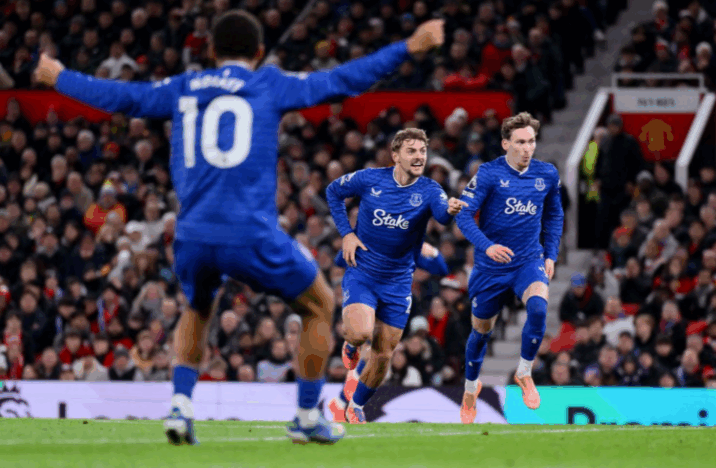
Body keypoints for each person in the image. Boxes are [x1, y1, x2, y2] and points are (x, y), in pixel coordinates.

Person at [33, 10, 446, 445]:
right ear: (260, 52)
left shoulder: (185, 87)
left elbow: (123, 97)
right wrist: (407, 47)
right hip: (249, 231)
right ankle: (307, 414)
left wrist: (60, 76)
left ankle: (180, 406)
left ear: (210, 52)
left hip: (190, 234)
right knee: (319, 305)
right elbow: (343, 79)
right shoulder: (268, 83)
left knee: (197, 306)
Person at [324, 128, 467, 423]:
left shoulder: (429, 189)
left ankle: (356, 406)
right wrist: (347, 235)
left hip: (398, 282)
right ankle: (351, 343)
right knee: (362, 333)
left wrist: (451, 209)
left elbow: (440, 214)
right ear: (395, 155)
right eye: (412, 151)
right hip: (363, 273)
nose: (419, 157)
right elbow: (333, 191)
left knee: (384, 353)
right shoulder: (370, 179)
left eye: (422, 152)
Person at [456, 112, 564, 423]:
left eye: (531, 141)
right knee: (481, 331)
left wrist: (551, 255)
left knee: (540, 308)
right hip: (491, 267)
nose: (527, 148)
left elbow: (554, 216)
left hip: (529, 261)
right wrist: (487, 245)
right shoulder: (488, 173)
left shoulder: (547, 175)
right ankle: (470, 386)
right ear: (506, 144)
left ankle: (524, 371)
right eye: (520, 142)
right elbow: (463, 216)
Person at [328, 241, 449, 422]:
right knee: (368, 348)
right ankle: (346, 400)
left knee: (377, 356)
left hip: (394, 328)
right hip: (366, 304)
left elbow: (441, 268)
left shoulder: (407, 247)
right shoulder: (370, 239)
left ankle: (346, 401)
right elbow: (340, 259)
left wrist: (432, 251)